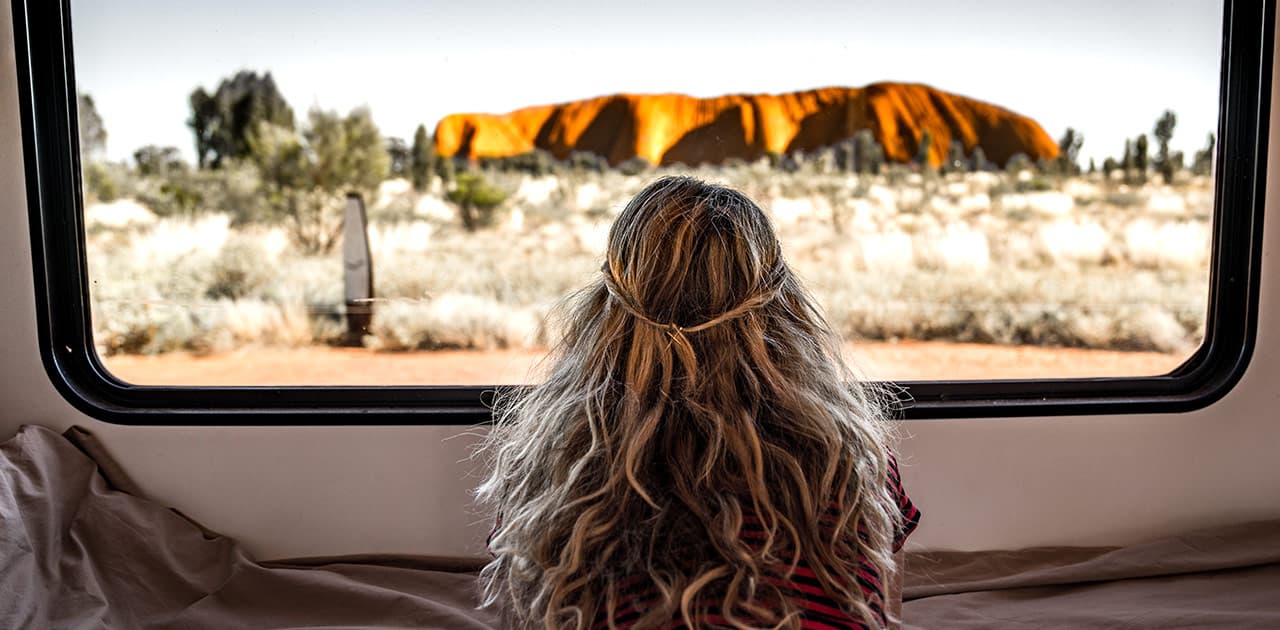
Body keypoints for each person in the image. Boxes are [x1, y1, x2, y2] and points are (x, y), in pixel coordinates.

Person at [477, 176, 920, 629]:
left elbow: (522, 613)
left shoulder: (553, 463)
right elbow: (883, 613)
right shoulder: (850, 459)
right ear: (785, 308)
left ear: (604, 310)